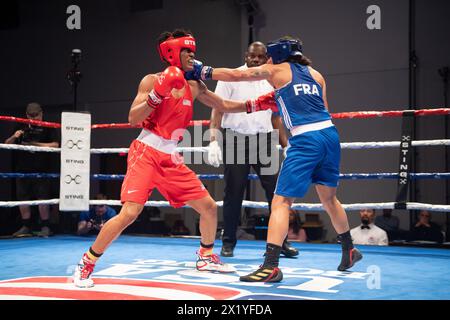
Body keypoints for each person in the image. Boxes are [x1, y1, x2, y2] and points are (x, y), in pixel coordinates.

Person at [72, 29, 277, 288]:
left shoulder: (195, 84)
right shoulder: (151, 80)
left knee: (209, 207)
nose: (192, 55)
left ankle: (205, 256)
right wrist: (157, 94)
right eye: (187, 51)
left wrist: (257, 104)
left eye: (193, 51)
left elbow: (223, 105)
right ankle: (86, 264)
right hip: (146, 152)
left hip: (171, 156)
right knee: (130, 213)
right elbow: (133, 118)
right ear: (172, 52)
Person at [187, 35, 363, 282]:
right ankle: (349, 249)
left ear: (277, 54)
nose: (265, 59)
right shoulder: (316, 75)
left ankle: (271, 266)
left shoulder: (275, 70)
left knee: (280, 202)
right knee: (330, 198)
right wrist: (204, 94)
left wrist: (202, 71)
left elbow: (238, 75)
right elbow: (319, 109)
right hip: (330, 137)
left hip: (306, 140)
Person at [208, 41, 298, 258]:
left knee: (277, 194)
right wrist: (213, 140)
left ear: (266, 57)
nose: (255, 60)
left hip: (264, 141)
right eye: (252, 56)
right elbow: (217, 110)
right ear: (246, 55)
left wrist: (287, 145)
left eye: (260, 57)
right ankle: (228, 242)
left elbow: (276, 117)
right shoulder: (231, 76)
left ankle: (281, 243)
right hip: (235, 140)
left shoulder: (271, 79)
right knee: (233, 192)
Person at [4, 102, 59, 238]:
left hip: (42, 169)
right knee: (23, 198)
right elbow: (6, 144)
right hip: (23, 169)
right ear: (27, 115)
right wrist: (15, 137)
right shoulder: (20, 125)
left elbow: (55, 145)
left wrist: (35, 144)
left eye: (37, 115)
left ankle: (45, 226)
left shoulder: (49, 127)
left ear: (41, 113)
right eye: (31, 116)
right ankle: (26, 226)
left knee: (42, 198)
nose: (34, 118)